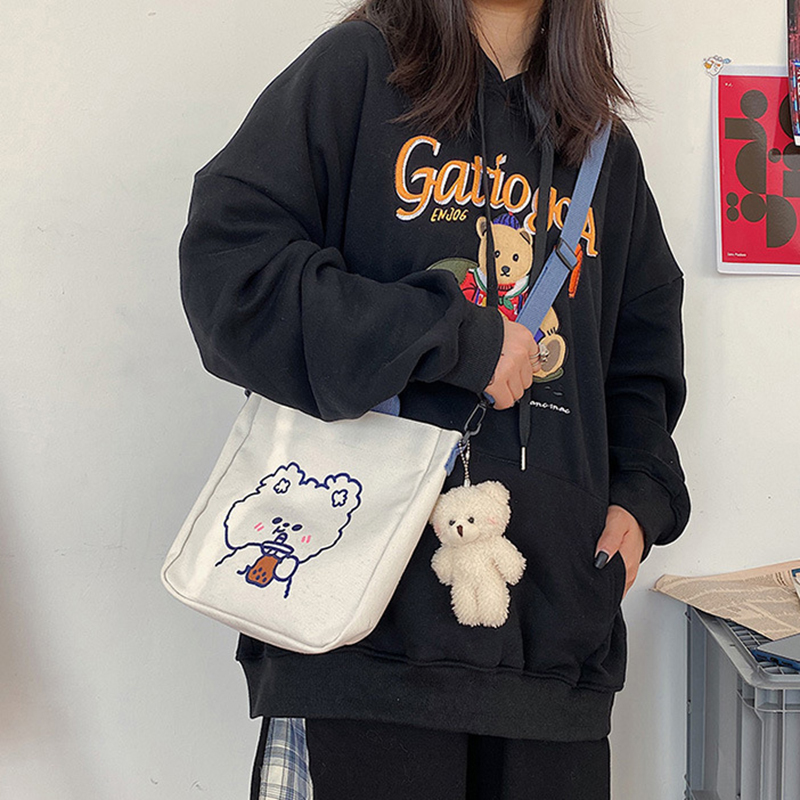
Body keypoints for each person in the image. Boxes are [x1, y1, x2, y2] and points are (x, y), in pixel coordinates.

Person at [178, 0, 690, 797]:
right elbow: (232, 279)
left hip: (552, 649)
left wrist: (642, 494)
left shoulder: (601, 147)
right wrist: (455, 339)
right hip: (363, 642)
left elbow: (640, 350)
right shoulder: (356, 72)